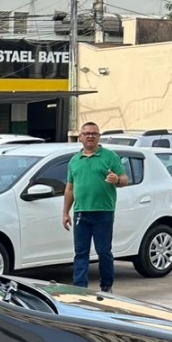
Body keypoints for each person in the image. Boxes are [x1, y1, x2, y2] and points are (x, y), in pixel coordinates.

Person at [62, 122, 128, 292]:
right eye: (87, 133)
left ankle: (106, 286)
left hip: (103, 212)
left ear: (98, 137)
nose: (90, 136)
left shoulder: (109, 156)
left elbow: (124, 179)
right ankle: (80, 289)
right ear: (80, 137)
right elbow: (69, 188)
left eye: (94, 133)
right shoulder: (74, 160)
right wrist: (65, 213)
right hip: (81, 213)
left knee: (104, 252)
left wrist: (117, 180)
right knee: (80, 253)